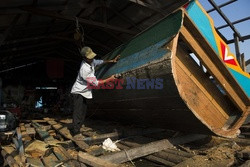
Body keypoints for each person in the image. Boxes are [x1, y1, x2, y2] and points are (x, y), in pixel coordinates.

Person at [71, 46, 120, 136]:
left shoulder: (91, 61)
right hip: (78, 92)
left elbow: (99, 62)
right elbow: (96, 83)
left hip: (84, 92)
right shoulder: (84, 70)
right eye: (90, 57)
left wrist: (112, 61)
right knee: (78, 112)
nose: (92, 58)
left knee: (83, 111)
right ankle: (75, 132)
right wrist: (110, 79)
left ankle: (78, 128)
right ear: (84, 58)